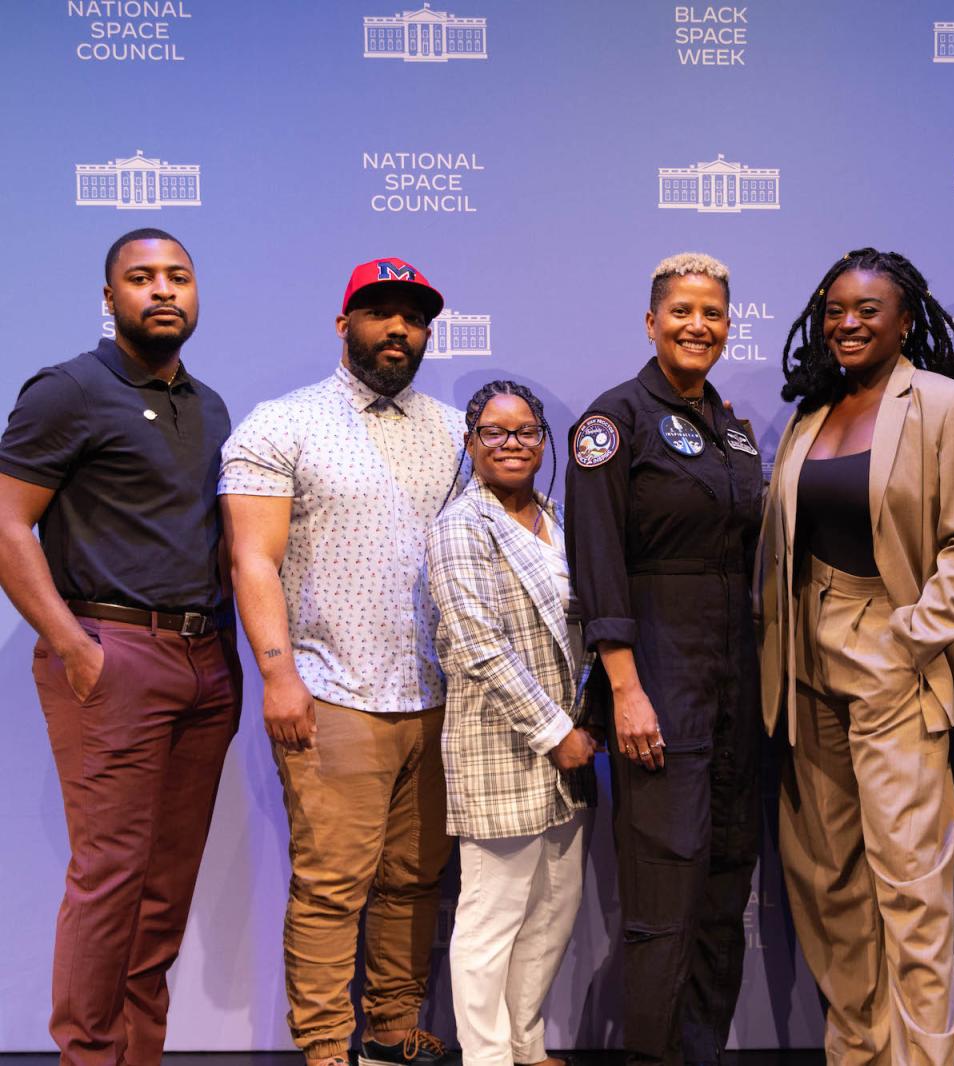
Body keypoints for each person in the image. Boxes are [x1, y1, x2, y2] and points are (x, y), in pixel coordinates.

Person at [759, 247, 954, 1066]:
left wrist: (908, 639)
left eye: (869, 309)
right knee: (829, 881)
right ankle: (857, 1051)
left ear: (906, 321)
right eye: (836, 308)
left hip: (892, 655)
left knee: (909, 885)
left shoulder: (944, 403)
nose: (848, 323)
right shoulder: (809, 414)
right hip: (803, 664)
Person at [0, 228, 239, 1066]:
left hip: (206, 663)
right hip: (113, 652)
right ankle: (88, 1058)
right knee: (110, 881)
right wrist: (72, 645)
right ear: (110, 299)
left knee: (165, 892)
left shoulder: (208, 405)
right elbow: (7, 523)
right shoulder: (67, 390)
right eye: (141, 279)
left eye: (179, 276)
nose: (163, 291)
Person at [221, 258, 464, 1066]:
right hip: (331, 691)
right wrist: (279, 677)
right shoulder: (281, 424)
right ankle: (326, 1049)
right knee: (332, 890)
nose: (398, 329)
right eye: (379, 312)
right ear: (343, 324)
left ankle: (392, 1033)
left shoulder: (456, 430)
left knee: (413, 882)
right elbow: (252, 562)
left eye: (414, 317)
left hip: (433, 696)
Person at [563, 252, 762, 1066]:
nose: (697, 325)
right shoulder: (614, 422)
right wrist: (625, 691)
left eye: (712, 312)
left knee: (722, 885)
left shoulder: (736, 429)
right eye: (681, 310)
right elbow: (598, 564)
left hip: (735, 686)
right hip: (656, 681)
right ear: (651, 323)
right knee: (663, 897)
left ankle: (702, 1054)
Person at [427, 380, 598, 1066]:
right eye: (494, 433)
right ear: (470, 445)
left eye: (525, 431)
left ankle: (528, 1044)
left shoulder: (557, 518)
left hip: (571, 750)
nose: (512, 444)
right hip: (505, 747)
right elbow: (477, 645)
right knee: (491, 920)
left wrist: (578, 728)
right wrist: (556, 733)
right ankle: (489, 1057)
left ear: (544, 441)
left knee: (554, 913)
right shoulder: (460, 525)